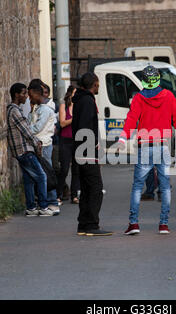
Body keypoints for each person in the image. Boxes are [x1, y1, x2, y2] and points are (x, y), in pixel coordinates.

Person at [118, 65, 176, 235]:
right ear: (158, 79)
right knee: (165, 187)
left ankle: (133, 224)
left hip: (144, 146)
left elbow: (131, 119)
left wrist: (123, 138)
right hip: (163, 146)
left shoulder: (139, 98)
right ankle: (163, 224)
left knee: (138, 187)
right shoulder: (169, 96)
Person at [72, 72, 113, 236]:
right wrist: (94, 147)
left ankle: (83, 223)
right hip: (87, 151)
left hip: (80, 150)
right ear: (93, 85)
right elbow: (86, 126)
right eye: (97, 85)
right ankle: (91, 224)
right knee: (96, 188)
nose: (99, 88)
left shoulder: (80, 100)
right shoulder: (88, 101)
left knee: (87, 189)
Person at [6, 83, 55, 217]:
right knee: (41, 176)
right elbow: (26, 131)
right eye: (23, 93)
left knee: (29, 179)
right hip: (24, 150)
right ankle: (43, 206)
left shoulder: (16, 110)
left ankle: (31, 207)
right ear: (16, 95)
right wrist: (37, 144)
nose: (26, 97)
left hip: (21, 151)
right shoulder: (14, 111)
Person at [27, 81, 60, 215]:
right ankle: (44, 201)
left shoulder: (46, 110)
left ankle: (53, 202)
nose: (30, 98)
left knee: (47, 173)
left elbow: (36, 127)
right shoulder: (37, 109)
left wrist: (26, 130)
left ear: (36, 94)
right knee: (41, 175)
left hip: (45, 144)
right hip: (37, 144)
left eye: (31, 95)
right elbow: (30, 121)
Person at [57, 85, 80, 204]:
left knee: (76, 169)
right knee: (64, 169)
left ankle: (74, 195)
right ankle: (58, 195)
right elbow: (62, 123)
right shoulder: (64, 105)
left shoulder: (79, 106)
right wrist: (75, 118)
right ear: (70, 94)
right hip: (65, 140)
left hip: (77, 140)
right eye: (74, 93)